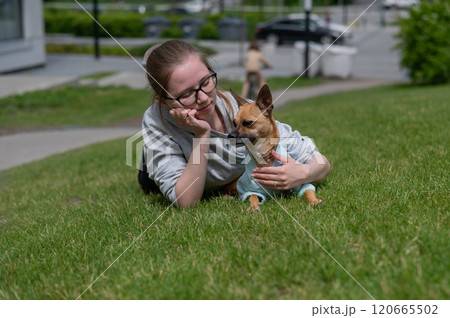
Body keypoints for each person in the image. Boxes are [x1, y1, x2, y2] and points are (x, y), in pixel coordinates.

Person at [139, 40, 330, 209]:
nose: (204, 99)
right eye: (187, 94)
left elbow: (321, 163)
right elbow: (186, 202)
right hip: (161, 169)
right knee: (148, 176)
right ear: (164, 101)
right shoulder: (156, 123)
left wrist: (305, 172)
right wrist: (201, 135)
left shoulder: (239, 110)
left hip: (232, 178)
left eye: (205, 81)